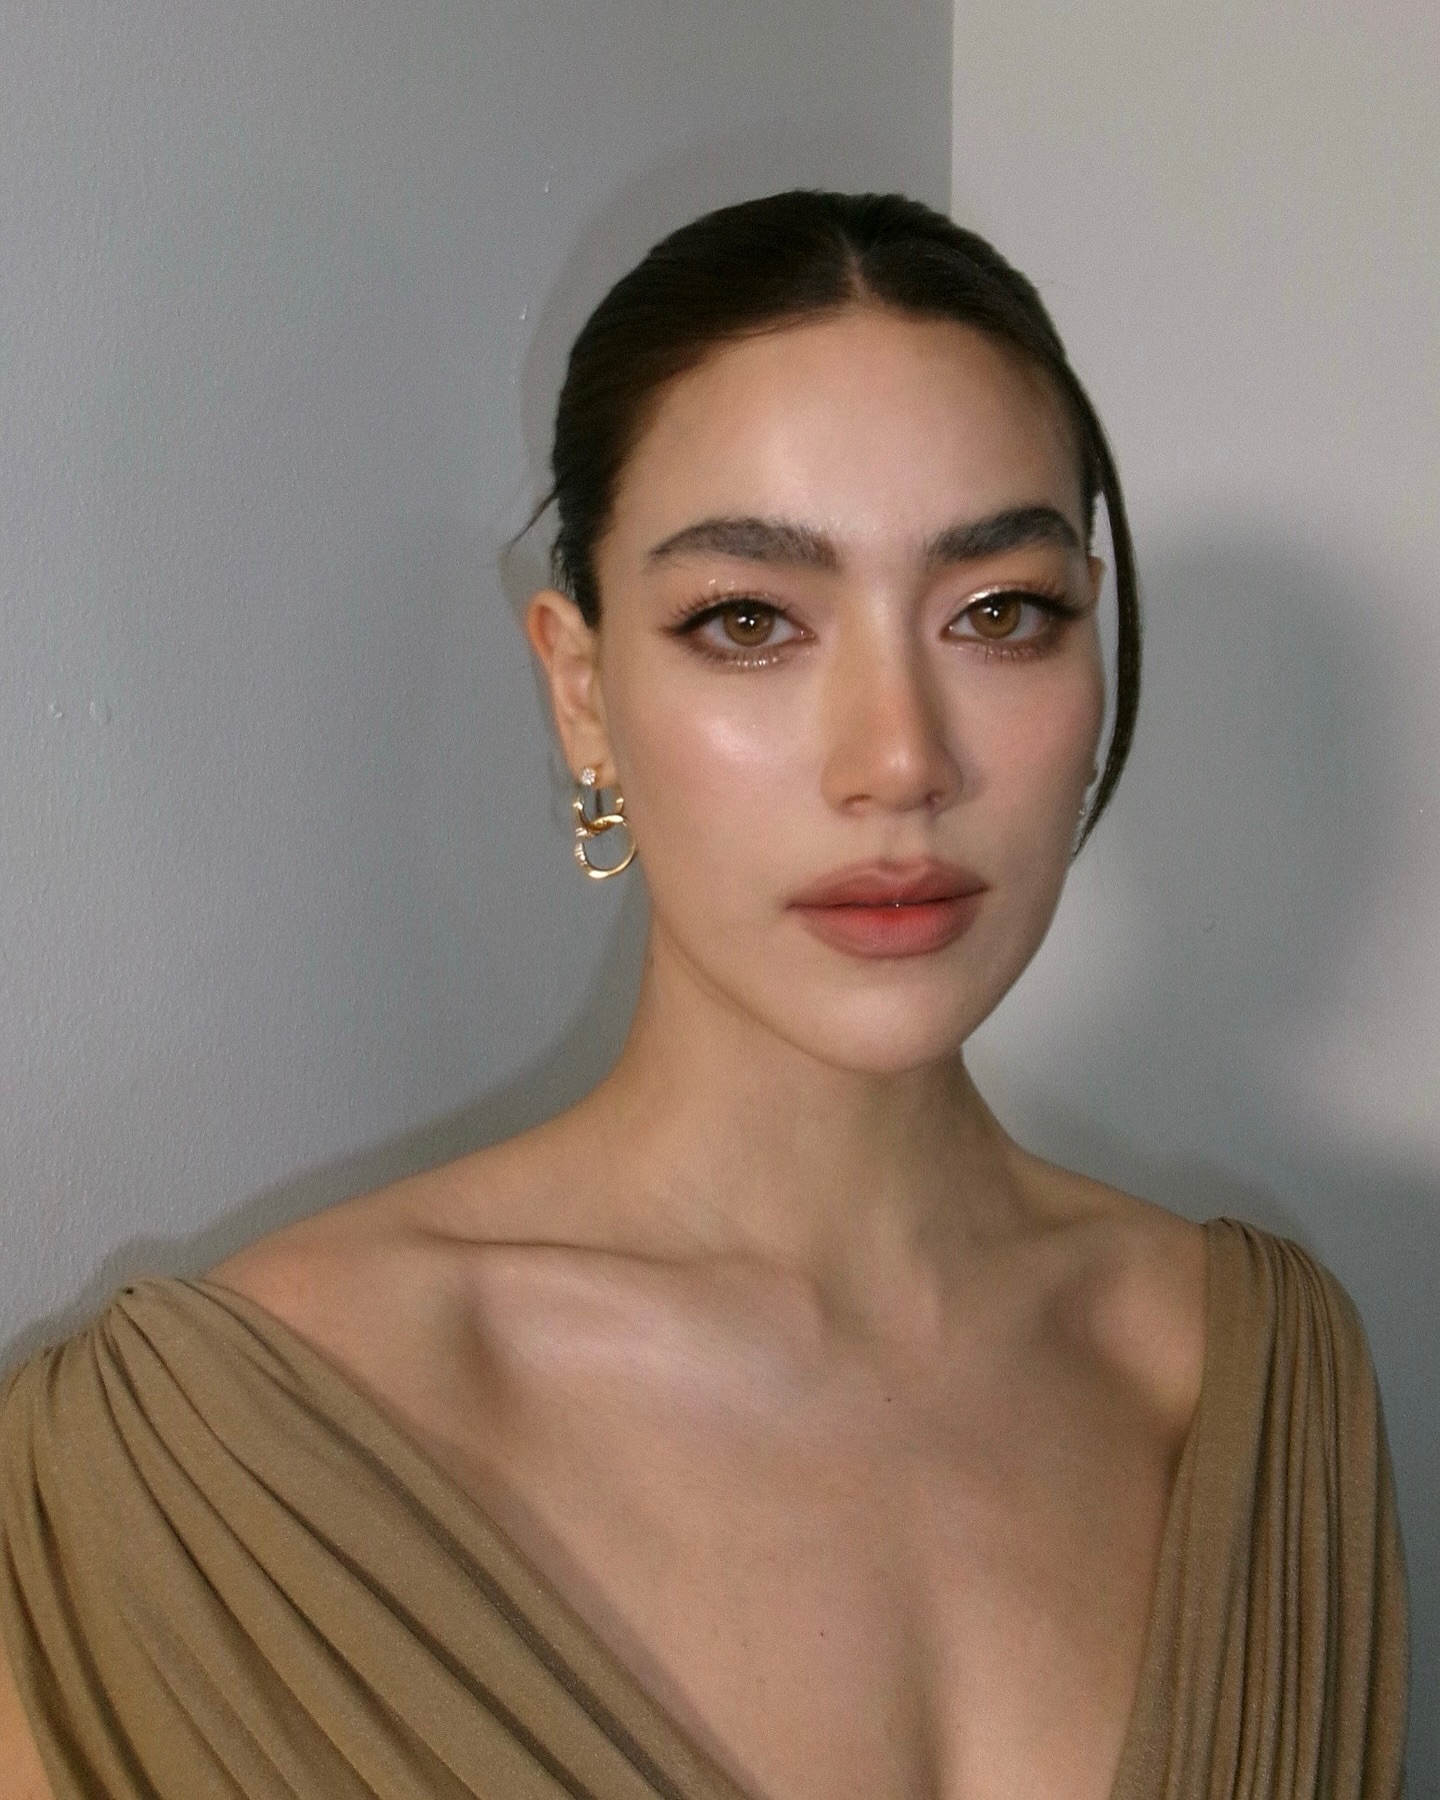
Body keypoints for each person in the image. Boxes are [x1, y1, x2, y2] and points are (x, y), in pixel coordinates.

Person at [0, 191, 1407, 1799]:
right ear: (582, 691)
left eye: (999, 612)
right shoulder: (193, 1468)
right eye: (749, 622)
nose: (901, 759)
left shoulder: (1251, 1378)